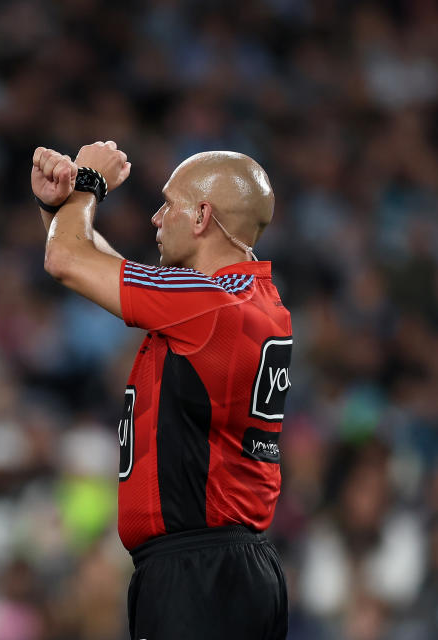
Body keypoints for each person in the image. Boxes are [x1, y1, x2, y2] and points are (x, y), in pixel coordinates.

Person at [31, 143, 290, 639]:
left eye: (168, 203)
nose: (155, 217)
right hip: (225, 568)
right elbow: (89, 264)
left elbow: (66, 259)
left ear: (201, 216)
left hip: (199, 576)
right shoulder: (240, 302)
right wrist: (56, 209)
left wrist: (89, 183)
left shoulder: (209, 308)